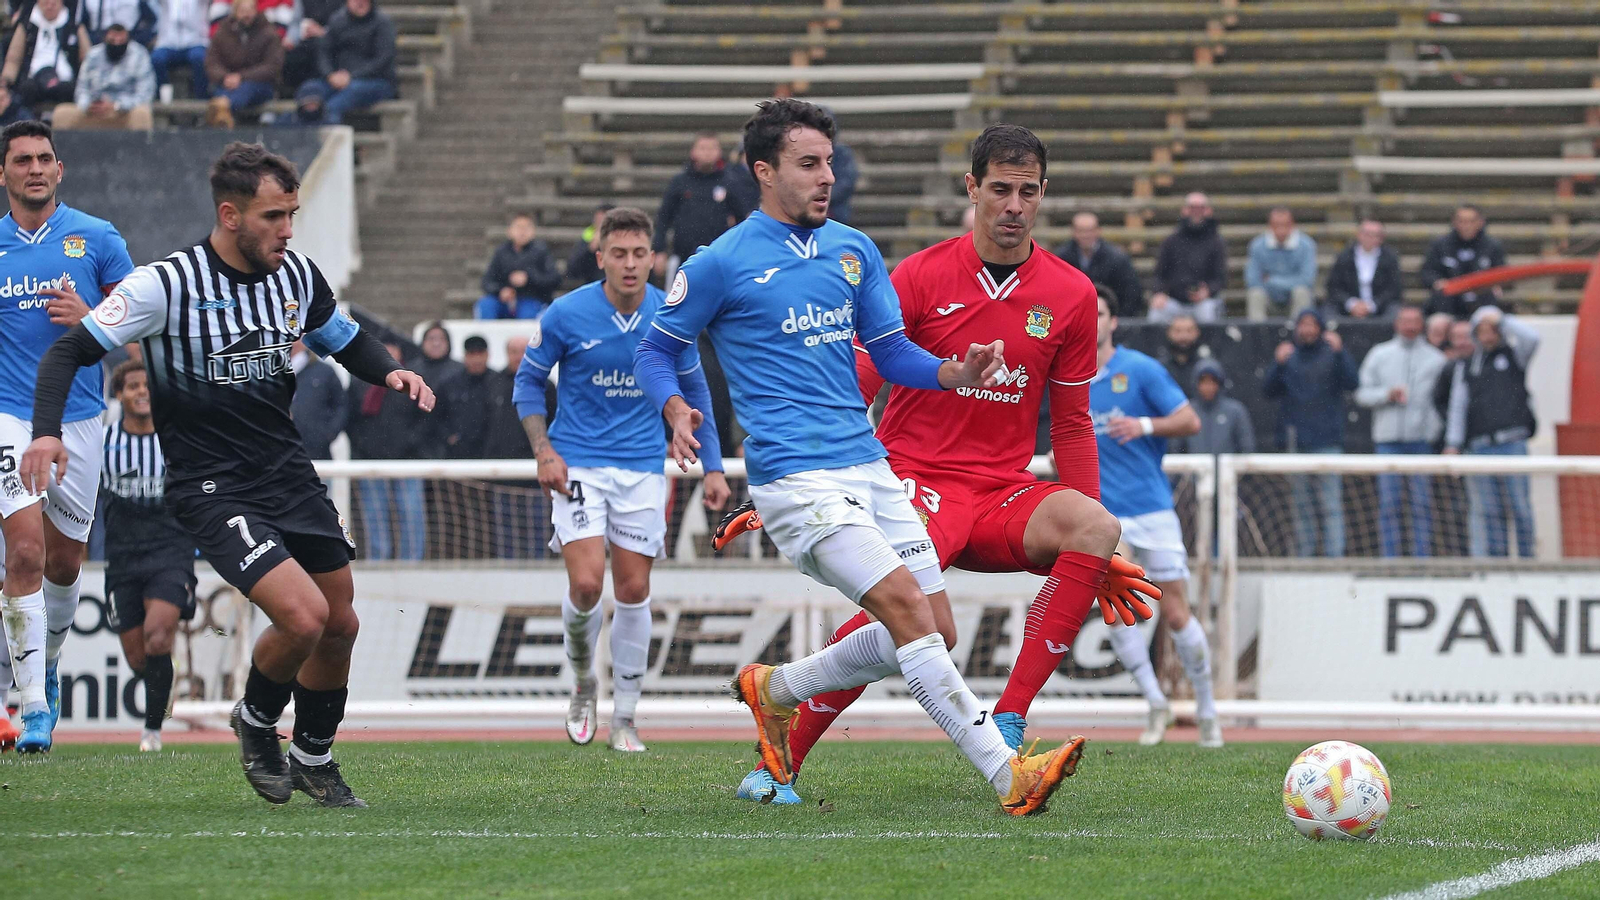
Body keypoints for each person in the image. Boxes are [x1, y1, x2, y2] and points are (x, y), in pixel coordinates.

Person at [635, 99, 1086, 816]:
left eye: (829, 163)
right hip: (795, 476)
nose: (826, 177)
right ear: (764, 172)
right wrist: (672, 405)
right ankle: (1009, 775)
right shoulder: (719, 263)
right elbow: (656, 349)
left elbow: (890, 352)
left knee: (937, 630)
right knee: (908, 611)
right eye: (808, 165)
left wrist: (953, 374)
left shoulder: (855, 250)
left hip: (870, 468)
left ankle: (777, 689)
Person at [726, 123, 1149, 805]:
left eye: (1028, 192)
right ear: (972, 188)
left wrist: (1094, 554)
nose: (1014, 205)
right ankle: (779, 765)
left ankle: (1007, 723)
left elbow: (1071, 422)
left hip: (1000, 490)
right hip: (913, 479)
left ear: (1043, 196)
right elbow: (859, 377)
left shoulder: (1071, 295)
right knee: (918, 622)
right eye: (1001, 189)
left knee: (1096, 527)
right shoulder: (921, 274)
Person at [21, 141, 435, 805]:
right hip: (212, 484)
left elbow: (340, 336)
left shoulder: (297, 275)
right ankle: (257, 720)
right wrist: (46, 435)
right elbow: (69, 350)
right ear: (230, 215)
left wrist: (389, 369)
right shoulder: (164, 285)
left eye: (293, 214)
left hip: (287, 473)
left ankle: (315, 757)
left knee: (341, 625)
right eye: (274, 216)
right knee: (302, 619)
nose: (288, 229)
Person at [515, 206, 727, 752]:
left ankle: (626, 717)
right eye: (619, 254)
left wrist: (715, 469)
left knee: (633, 590)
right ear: (600, 257)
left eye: (639, 254)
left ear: (653, 258)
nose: (630, 265)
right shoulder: (565, 314)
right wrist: (544, 451)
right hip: (579, 463)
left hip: (641, 468)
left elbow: (696, 395)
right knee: (587, 585)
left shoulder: (670, 315)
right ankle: (585, 682)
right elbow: (527, 385)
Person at [0, 120, 132, 755]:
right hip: (9, 417)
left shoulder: (97, 238)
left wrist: (93, 320)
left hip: (80, 419)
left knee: (63, 561)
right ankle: (30, 706)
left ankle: (46, 666)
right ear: (3, 173)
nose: (34, 168)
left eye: (44, 158)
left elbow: (141, 327)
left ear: (60, 170)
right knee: (22, 552)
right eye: (21, 159)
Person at [1089, 292, 1220, 747]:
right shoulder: (1067, 377)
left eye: (1099, 313)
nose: (1092, 321)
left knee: (1177, 610)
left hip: (1152, 506)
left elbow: (1188, 420)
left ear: (1113, 320)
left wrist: (1143, 425)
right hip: (1104, 516)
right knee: (1116, 611)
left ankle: (1206, 708)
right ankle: (1154, 702)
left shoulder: (1139, 369)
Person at [100, 359, 196, 753]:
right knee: (138, 655)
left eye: (148, 385)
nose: (142, 392)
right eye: (133, 386)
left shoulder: (177, 439)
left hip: (170, 552)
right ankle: (160, 691)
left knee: (159, 636)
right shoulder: (102, 442)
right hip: (121, 557)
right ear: (119, 394)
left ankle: (152, 731)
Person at [1443, 306, 1538, 558]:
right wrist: (1452, 443)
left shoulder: (1515, 356)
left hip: (1512, 443)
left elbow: (1534, 338)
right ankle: (1497, 562)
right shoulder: (1467, 366)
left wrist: (1501, 319)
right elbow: (1457, 406)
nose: (1487, 334)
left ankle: (1528, 559)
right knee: (1488, 510)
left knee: (1520, 506)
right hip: (1480, 446)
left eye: (1491, 329)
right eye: (1481, 329)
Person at [1263, 309, 1358, 557]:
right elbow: (1268, 391)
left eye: (1312, 324)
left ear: (1321, 328)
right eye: (1302, 324)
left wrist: (1341, 352)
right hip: (1296, 443)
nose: (1307, 329)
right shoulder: (1289, 357)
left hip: (1327, 441)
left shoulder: (1332, 354)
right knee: (1301, 506)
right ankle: (1304, 557)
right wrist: (1277, 363)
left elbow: (1353, 382)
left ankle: (1334, 557)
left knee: (1330, 504)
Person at [1355, 306, 1446, 557]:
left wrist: (1432, 430)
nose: (1410, 327)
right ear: (1396, 324)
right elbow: (1361, 394)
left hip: (1421, 442)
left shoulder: (1436, 359)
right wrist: (1386, 395)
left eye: (1415, 322)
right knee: (1389, 504)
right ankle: (1390, 559)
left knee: (1422, 504)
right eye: (1405, 321)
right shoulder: (1379, 354)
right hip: (1388, 442)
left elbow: (1442, 401)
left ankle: (1422, 559)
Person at [346, 340, 428, 559]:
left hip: (407, 459)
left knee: (411, 513)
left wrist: (410, 442)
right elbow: (351, 418)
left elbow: (425, 418)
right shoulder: (360, 381)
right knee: (375, 516)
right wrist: (363, 446)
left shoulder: (412, 379)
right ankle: (377, 561)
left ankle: (412, 562)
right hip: (371, 459)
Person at [650, 132, 746, 285]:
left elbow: (742, 220)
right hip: (683, 258)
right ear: (693, 151)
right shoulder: (680, 182)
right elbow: (663, 218)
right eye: (702, 148)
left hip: (719, 260)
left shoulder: (729, 182)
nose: (707, 152)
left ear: (719, 152)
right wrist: (659, 251)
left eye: (712, 148)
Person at [294, 0, 394, 126]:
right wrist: (329, 74)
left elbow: (383, 59)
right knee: (309, 90)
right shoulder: (337, 20)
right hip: (337, 79)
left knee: (338, 102)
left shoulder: (382, 22)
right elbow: (324, 52)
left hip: (375, 81)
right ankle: (302, 134)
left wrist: (351, 76)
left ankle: (327, 136)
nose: (360, 3)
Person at [52, 22, 153, 129]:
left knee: (142, 114)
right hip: (94, 111)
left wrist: (116, 106)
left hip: (124, 112)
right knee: (61, 114)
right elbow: (82, 89)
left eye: (121, 41)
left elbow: (145, 95)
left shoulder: (140, 56)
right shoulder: (93, 55)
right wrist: (89, 105)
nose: (117, 44)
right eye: (113, 41)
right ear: (105, 39)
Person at [1, 0, 92, 117]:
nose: (50, 7)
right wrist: (5, 82)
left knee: (69, 90)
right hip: (33, 79)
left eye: (53, 3)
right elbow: (13, 59)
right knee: (26, 89)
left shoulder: (75, 25)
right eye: (46, 3)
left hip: (66, 81)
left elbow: (87, 58)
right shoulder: (27, 25)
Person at [203, 0, 281, 128]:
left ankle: (223, 108)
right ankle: (223, 114)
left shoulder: (268, 33)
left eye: (250, 10)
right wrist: (225, 77)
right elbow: (212, 62)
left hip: (260, 84)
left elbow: (272, 67)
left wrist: (241, 76)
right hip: (227, 83)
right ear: (235, 12)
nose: (247, 15)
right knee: (222, 91)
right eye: (243, 11)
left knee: (246, 89)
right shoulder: (223, 32)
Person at [1149, 192, 1225, 323]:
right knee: (1157, 313)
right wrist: (1159, 293)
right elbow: (1159, 274)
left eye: (1200, 208)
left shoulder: (1217, 243)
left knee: (1208, 314)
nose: (1196, 212)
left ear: (1208, 211)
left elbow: (1220, 278)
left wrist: (1207, 291)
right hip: (1174, 301)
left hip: (1204, 302)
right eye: (1192, 208)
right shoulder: (1170, 242)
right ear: (1184, 210)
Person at [1422, 205, 1507, 320]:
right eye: (1462, 221)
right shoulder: (1440, 245)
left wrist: (1496, 284)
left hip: (1483, 299)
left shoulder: (1492, 246)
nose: (1466, 226)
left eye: (1471, 221)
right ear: (1454, 222)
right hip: (1448, 301)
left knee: (1491, 319)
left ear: (1481, 222)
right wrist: (1437, 281)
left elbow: (1502, 272)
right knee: (1438, 322)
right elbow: (1427, 272)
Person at [1054, 211, 1143, 318]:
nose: (1085, 235)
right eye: (1081, 231)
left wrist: (1118, 320)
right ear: (1073, 232)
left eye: (1089, 230)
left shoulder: (1117, 259)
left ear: (1098, 231)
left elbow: (1131, 293)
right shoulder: (1061, 258)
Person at [476, 213, 560, 320]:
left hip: (531, 299)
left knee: (527, 312)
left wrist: (529, 279)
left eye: (526, 227)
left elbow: (554, 279)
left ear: (533, 231)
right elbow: (487, 280)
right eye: (518, 227)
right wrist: (500, 290)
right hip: (504, 300)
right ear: (509, 231)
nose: (522, 231)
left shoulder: (541, 251)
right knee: (487, 305)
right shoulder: (501, 252)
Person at [1245, 207, 1317, 320]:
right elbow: (1253, 280)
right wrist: (1292, 280)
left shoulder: (1306, 245)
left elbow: (1306, 280)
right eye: (1276, 225)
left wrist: (1270, 280)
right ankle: (1258, 334)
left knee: (1302, 292)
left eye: (1285, 224)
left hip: (1293, 301)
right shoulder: (1257, 245)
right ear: (1270, 225)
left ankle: (1298, 335)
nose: (1281, 229)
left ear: (1292, 224)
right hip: (1269, 300)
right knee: (1255, 294)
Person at [1325, 218, 1401, 320]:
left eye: (1374, 235)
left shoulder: (1390, 257)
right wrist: (1351, 304)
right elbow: (1333, 286)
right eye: (1366, 234)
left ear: (1381, 238)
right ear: (1358, 235)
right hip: (1348, 306)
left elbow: (1393, 288)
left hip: (1380, 306)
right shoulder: (1345, 256)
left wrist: (1372, 305)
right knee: (1329, 314)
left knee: (1395, 312)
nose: (1369, 238)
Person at [1174, 359, 1254, 455]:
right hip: (1193, 469)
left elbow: (1246, 447)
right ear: (1196, 384)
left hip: (1228, 469)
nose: (1208, 387)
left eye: (1213, 381)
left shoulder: (1236, 411)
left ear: (1220, 384)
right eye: (1203, 381)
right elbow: (1175, 449)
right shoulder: (1186, 411)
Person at [289, 339, 345, 460]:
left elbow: (341, 405)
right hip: (280, 451)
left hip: (317, 452)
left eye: (296, 338)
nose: (292, 342)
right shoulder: (271, 371)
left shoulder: (324, 371)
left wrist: (327, 434)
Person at [440, 335, 494, 458]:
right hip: (457, 454)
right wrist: (448, 437)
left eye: (480, 353)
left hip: (491, 454)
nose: (476, 359)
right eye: (471, 354)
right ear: (465, 356)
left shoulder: (499, 383)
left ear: (487, 355)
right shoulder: (450, 384)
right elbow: (437, 417)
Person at [150, 0, 210, 100]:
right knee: (157, 59)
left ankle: (201, 98)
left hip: (195, 41)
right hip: (168, 42)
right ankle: (163, 97)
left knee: (199, 58)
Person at [282, 0, 340, 91]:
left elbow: (346, 24)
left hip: (334, 43)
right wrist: (291, 38)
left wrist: (323, 32)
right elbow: (296, 22)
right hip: (306, 41)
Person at [1154, 312, 1208, 397]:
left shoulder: (1206, 367)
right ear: (1168, 333)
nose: (1184, 336)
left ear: (1197, 332)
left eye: (1189, 331)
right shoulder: (1159, 367)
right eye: (1177, 331)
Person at [563, 202, 611, 288]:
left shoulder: (623, 241)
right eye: (598, 221)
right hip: (591, 286)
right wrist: (590, 249)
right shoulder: (586, 238)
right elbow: (572, 270)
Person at [79, 0, 157, 46]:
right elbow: (81, 24)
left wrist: (136, 40)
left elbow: (151, 21)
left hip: (129, 41)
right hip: (97, 42)